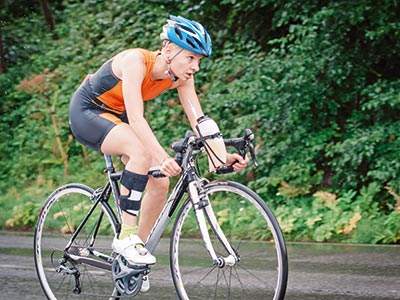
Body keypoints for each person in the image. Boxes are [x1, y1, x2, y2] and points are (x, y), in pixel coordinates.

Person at [69, 15, 248, 290]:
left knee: (160, 182)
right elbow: (137, 120)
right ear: (167, 50)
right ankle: (126, 237)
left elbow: (199, 120)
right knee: (140, 152)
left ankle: (132, 260)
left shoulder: (180, 78)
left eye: (199, 60)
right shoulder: (135, 62)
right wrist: (162, 156)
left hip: (119, 117)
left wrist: (221, 157)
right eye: (190, 58)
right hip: (88, 111)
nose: (195, 67)